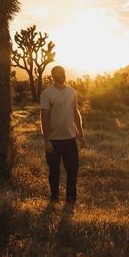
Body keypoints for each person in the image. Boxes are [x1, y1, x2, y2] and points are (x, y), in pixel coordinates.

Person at [40, 65, 86, 204]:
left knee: (73, 170)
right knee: (54, 171)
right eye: (60, 73)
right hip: (54, 140)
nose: (63, 75)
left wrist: (81, 135)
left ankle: (71, 199)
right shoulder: (47, 94)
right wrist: (46, 141)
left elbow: (76, 114)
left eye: (64, 72)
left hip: (70, 139)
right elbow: (44, 118)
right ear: (53, 76)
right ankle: (54, 197)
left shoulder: (71, 92)